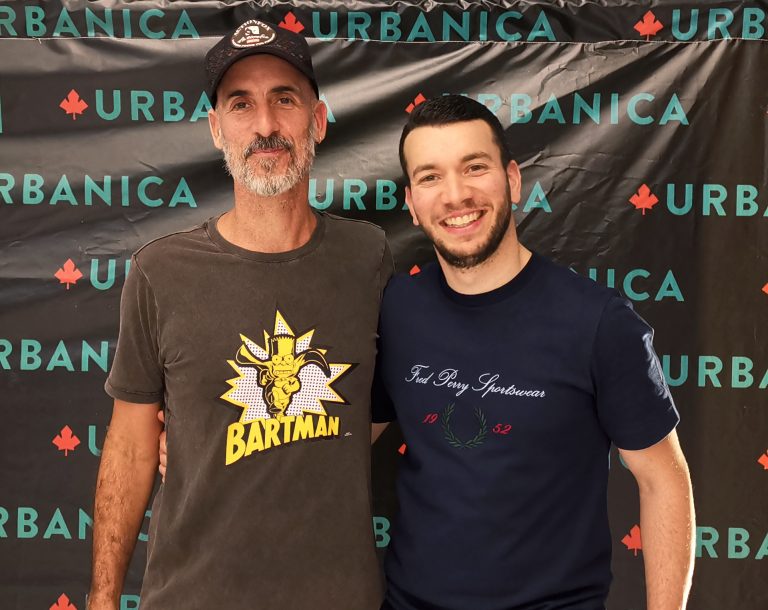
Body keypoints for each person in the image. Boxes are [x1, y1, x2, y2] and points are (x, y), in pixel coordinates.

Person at [88, 19, 391, 610]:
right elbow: (129, 448)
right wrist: (102, 601)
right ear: (216, 128)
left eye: (285, 100)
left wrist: (229, 435)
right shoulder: (160, 271)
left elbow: (385, 399)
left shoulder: (369, 256)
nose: (266, 125)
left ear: (318, 120)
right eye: (241, 104)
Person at [371, 95, 695, 610]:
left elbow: (663, 481)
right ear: (411, 203)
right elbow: (337, 447)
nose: (455, 195)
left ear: (513, 179)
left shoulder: (599, 322)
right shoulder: (394, 312)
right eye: (430, 177)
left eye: (474, 167)